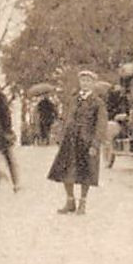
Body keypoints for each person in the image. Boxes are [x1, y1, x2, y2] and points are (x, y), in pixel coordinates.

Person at [48, 70, 108, 213]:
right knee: (65, 170)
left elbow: (101, 125)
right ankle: (70, 201)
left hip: (86, 142)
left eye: (88, 81)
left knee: (85, 172)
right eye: (83, 81)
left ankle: (82, 203)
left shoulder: (98, 103)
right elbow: (66, 117)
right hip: (70, 140)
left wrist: (95, 144)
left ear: (93, 84)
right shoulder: (73, 99)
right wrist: (60, 135)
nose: (85, 84)